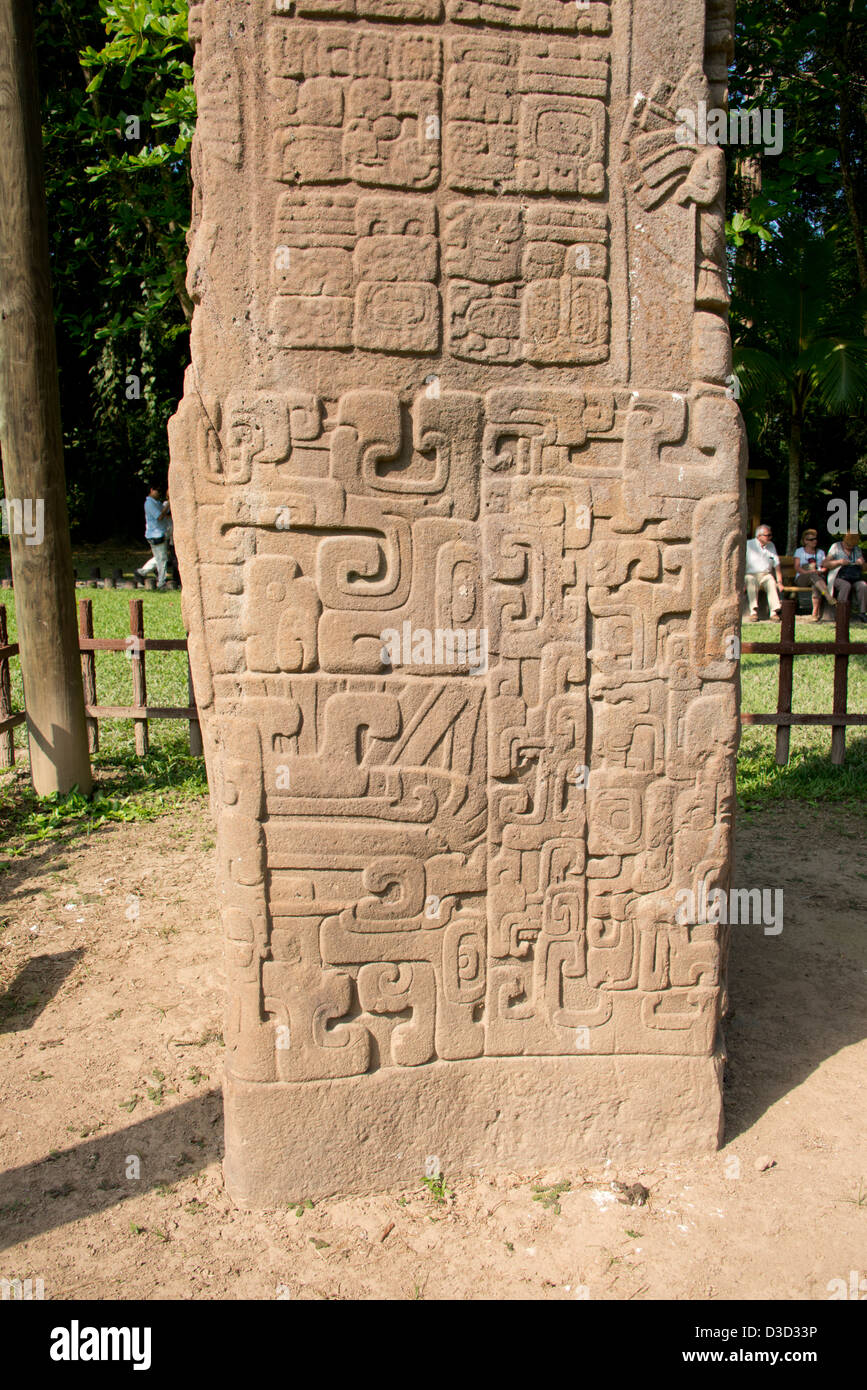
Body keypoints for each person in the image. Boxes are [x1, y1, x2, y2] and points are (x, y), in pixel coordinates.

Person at [134, 484, 171, 590]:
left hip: (159, 533)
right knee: (162, 559)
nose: (159, 493)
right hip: (155, 534)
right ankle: (161, 582)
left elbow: (166, 513)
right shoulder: (149, 503)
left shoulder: (157, 502)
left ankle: (141, 572)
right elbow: (159, 516)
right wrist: (169, 503)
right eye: (157, 491)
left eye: (160, 491)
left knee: (159, 557)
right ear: (151, 490)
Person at [825, 531, 867, 622]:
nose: (850, 547)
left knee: (863, 585)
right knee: (845, 585)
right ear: (844, 540)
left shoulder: (857, 549)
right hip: (838, 576)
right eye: (848, 545)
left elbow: (864, 568)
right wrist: (839, 562)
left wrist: (862, 562)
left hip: (854, 577)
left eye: (852, 546)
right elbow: (825, 564)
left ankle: (862, 613)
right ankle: (840, 612)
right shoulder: (835, 547)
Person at [793, 527, 834, 622]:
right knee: (814, 577)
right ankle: (828, 595)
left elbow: (824, 567)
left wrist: (821, 571)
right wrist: (809, 572)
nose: (814, 541)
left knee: (816, 586)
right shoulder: (799, 551)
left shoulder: (820, 552)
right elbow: (797, 567)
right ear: (805, 541)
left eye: (815, 539)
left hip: (817, 578)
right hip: (802, 577)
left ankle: (815, 613)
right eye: (811, 539)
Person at [744, 524, 783, 622]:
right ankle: (753, 612)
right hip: (751, 574)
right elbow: (740, 563)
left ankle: (774, 612)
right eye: (767, 535)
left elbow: (776, 564)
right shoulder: (748, 545)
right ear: (759, 536)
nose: (770, 537)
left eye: (770, 535)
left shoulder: (771, 545)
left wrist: (780, 582)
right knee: (750, 579)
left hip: (765, 574)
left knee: (771, 580)